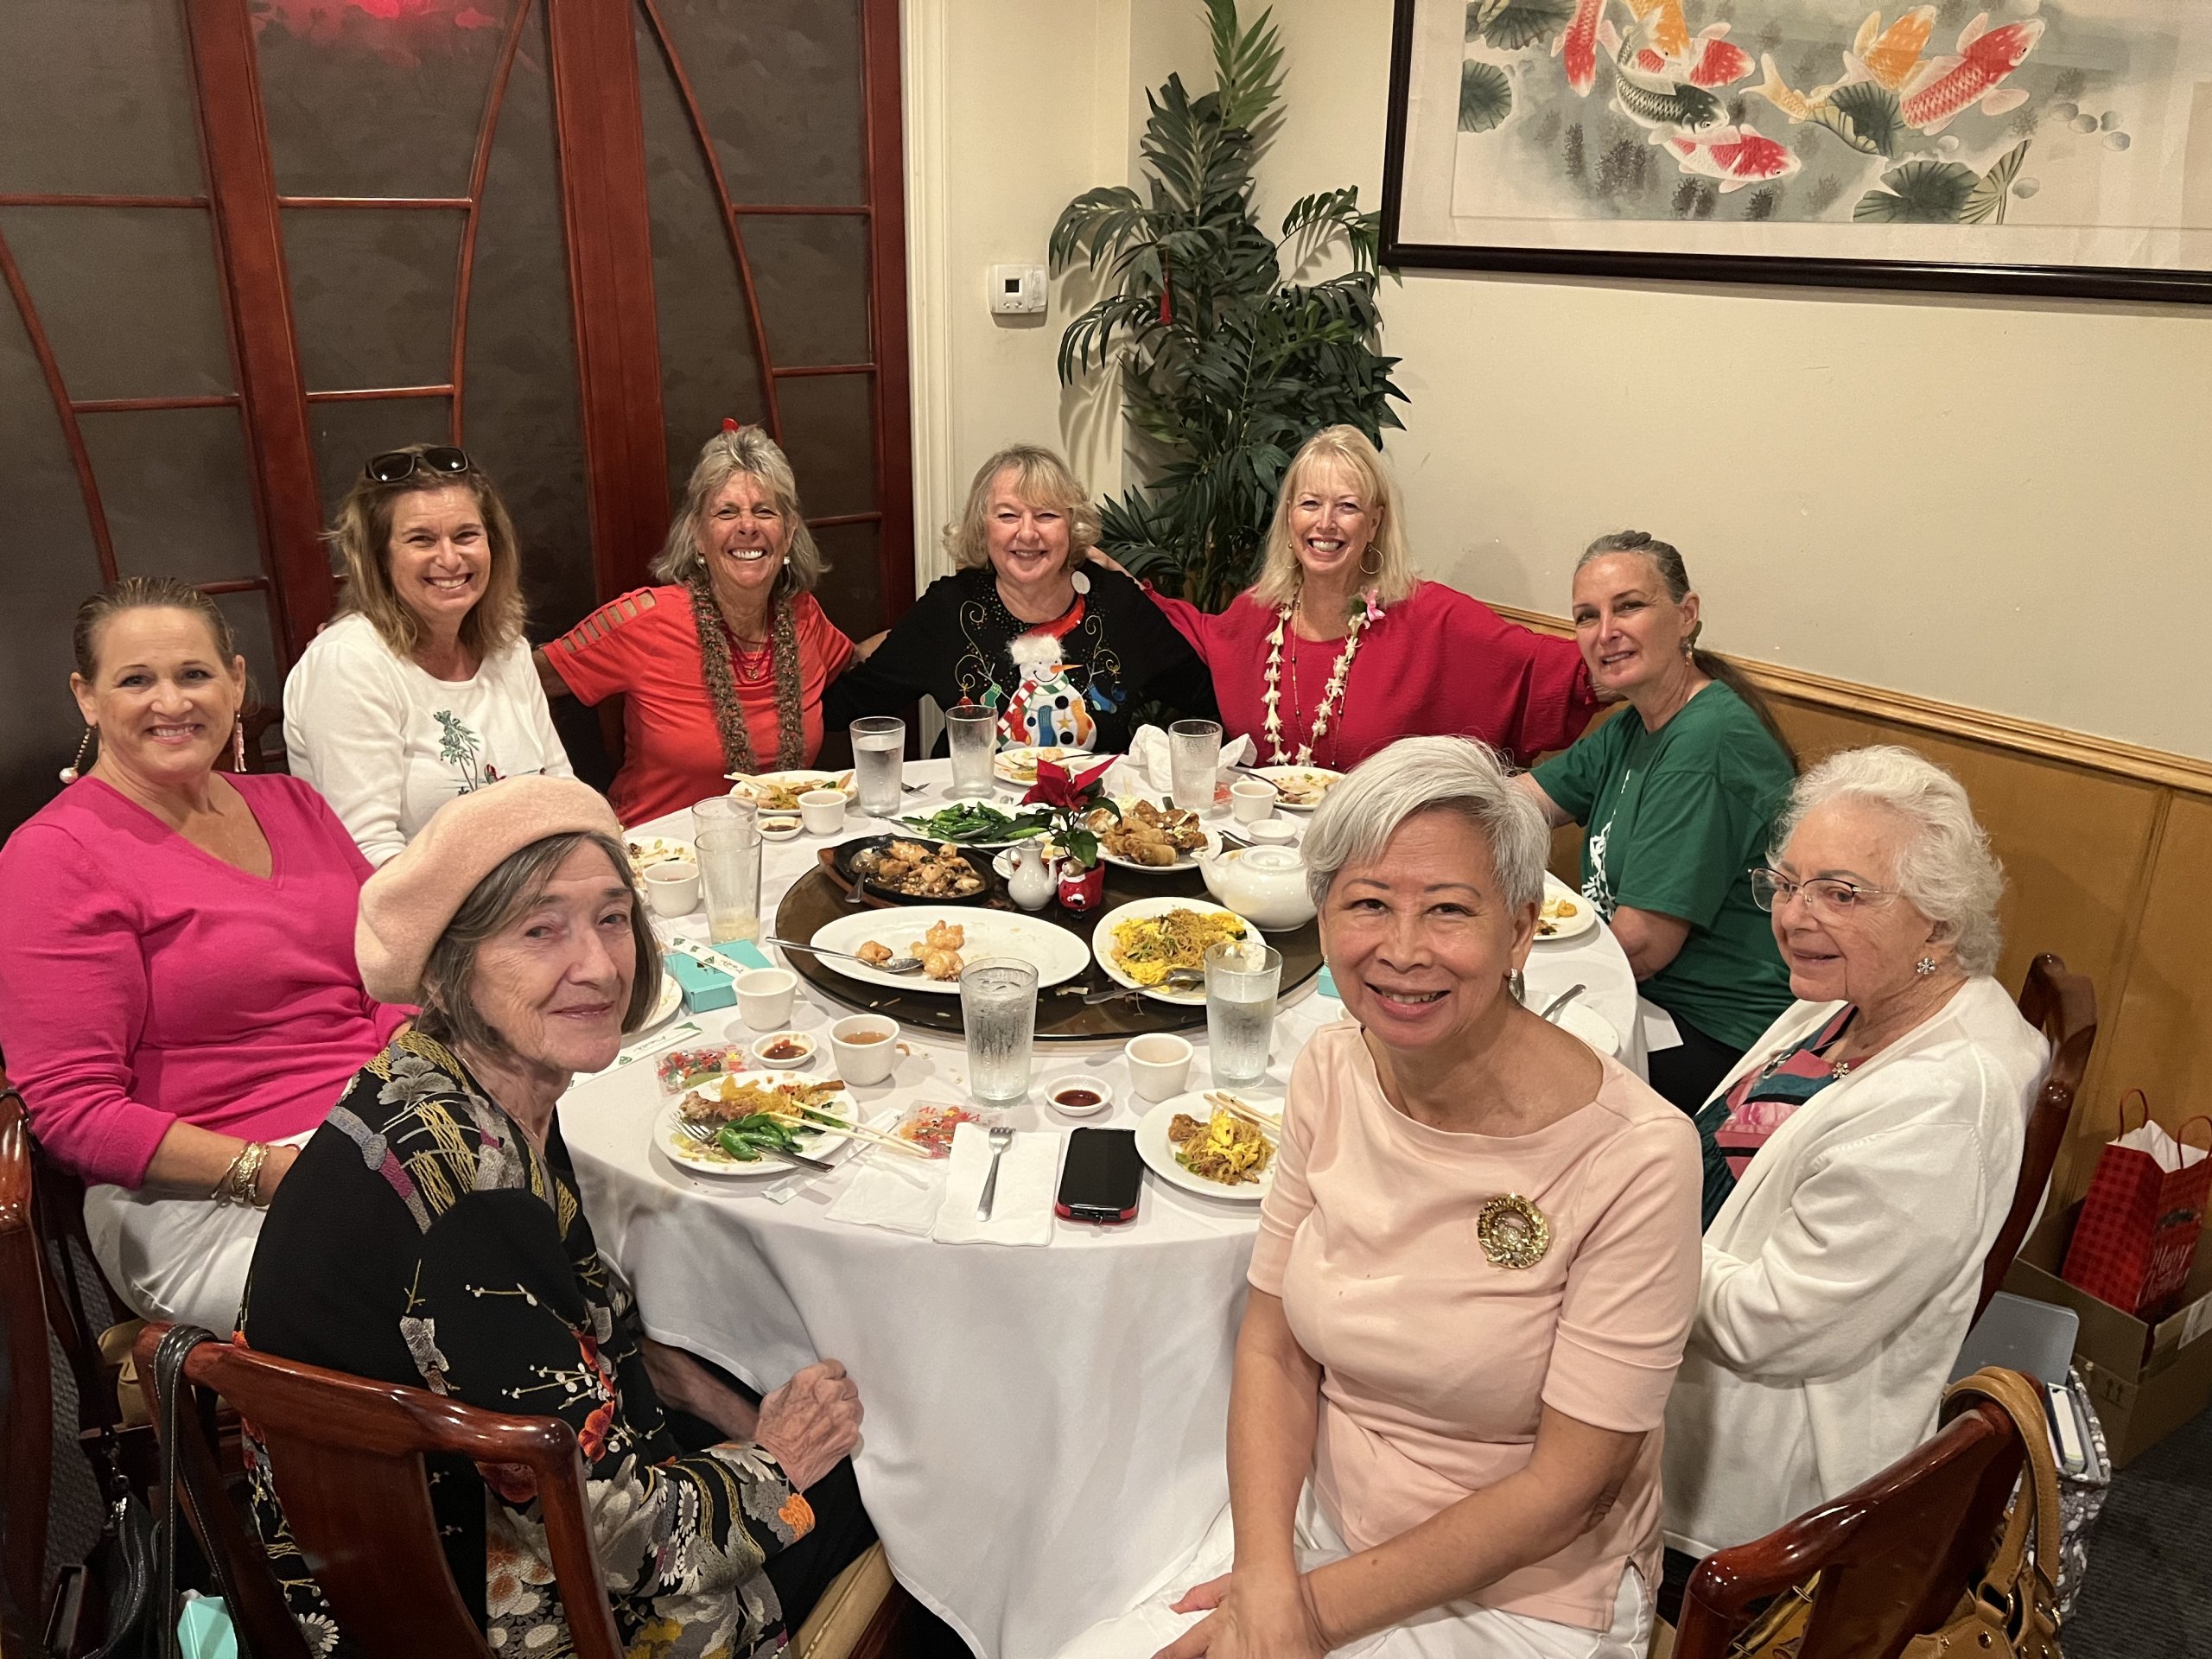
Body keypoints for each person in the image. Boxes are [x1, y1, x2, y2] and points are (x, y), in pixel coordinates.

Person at [1062, 737, 1700, 1659]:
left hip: (1526, 1590)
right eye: (1366, 904)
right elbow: (1275, 1346)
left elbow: (1567, 1490)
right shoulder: (1332, 1067)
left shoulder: (1636, 1157)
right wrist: (1267, 1576)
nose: (1402, 952)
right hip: (1317, 1522)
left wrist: (1301, 1618)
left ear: (1520, 930)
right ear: (1322, 919)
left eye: (1448, 911)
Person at [238, 775, 874, 1656]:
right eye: (540, 930)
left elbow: (563, 1338)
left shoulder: (445, 1087)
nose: (600, 966)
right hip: (472, 1610)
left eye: (612, 918)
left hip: (423, 1533)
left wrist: (709, 1397)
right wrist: (778, 1459)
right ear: (451, 965)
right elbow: (633, 1547)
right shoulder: (473, 1203)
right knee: (880, 1495)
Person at [1661, 746, 2046, 1595]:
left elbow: (1772, 1324)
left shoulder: (1939, 1102)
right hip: (1685, 1307)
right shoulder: (1846, 999)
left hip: (1743, 1476)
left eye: (1840, 893)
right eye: (1787, 883)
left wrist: (1623, 1239)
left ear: (1938, 922)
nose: (1794, 916)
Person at [0, 578, 406, 1328]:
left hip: (382, 1130)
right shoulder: (54, 856)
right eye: (135, 680)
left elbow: (391, 974)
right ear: (87, 698)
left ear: (237, 680)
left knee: (577, 1215)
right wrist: (279, 1172)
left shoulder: (296, 804)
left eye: (194, 674)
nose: (172, 702)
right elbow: (74, 1109)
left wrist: (421, 1088)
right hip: (200, 1190)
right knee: (447, 1289)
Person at [1516, 531, 1796, 1114]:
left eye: (1629, 606)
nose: (1605, 632)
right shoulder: (1637, 722)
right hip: (1650, 997)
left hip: (1715, 1039)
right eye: (1587, 617)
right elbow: (1523, 800)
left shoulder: (1706, 742)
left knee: (1486, 1062)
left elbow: (1642, 947)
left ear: (1686, 615)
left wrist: (1505, 968)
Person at [1132, 426, 1599, 770]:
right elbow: (1187, 630)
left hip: (1384, 862)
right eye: (1310, 503)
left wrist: (1649, 656)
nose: (1325, 523)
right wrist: (1107, 576)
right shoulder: (1257, 615)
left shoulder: (1430, 616)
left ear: (1374, 523)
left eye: (1348, 506)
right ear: (1289, 516)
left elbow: (1549, 671)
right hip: (1260, 855)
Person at [538, 423, 855, 825]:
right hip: (659, 859)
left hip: (780, 851)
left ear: (789, 532)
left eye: (764, 511)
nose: (747, 526)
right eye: (726, 512)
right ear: (697, 535)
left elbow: (856, 661)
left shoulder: (803, 616)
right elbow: (526, 680)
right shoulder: (644, 619)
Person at [823, 444, 1215, 754]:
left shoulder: (1116, 603)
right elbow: (844, 707)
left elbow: (1209, 696)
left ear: (1071, 526)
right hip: (976, 826)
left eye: (1046, 515)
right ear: (983, 528)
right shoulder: (950, 609)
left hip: (1094, 826)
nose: (1027, 534)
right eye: (1008, 516)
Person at [284, 443, 572, 866]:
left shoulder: (506, 644)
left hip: (536, 899)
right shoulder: (348, 663)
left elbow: (562, 791)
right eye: (421, 539)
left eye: (466, 535)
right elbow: (370, 854)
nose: (450, 558)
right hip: (425, 919)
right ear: (379, 559)